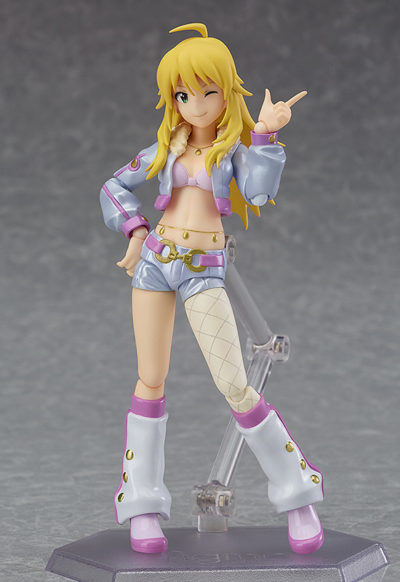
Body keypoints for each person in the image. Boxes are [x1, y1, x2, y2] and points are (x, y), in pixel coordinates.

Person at [100, 22, 324, 555]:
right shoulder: (165, 149)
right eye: (183, 95)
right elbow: (114, 185)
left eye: (207, 92)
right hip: (156, 262)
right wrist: (135, 230)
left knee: (234, 384)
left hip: (203, 268)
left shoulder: (233, 153)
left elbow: (260, 194)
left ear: (227, 93)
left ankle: (298, 496)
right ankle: (141, 507)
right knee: (149, 381)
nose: (195, 106)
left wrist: (265, 135)